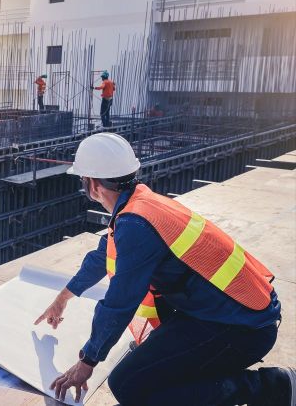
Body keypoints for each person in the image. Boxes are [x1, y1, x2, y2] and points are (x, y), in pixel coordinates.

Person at [34, 132, 292, 405]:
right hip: (230, 313)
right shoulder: (139, 206)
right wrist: (63, 298)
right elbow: (101, 256)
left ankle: (270, 387)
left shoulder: (136, 225)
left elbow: (120, 303)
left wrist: (87, 360)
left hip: (241, 329)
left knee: (129, 385)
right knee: (144, 369)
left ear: (94, 186)